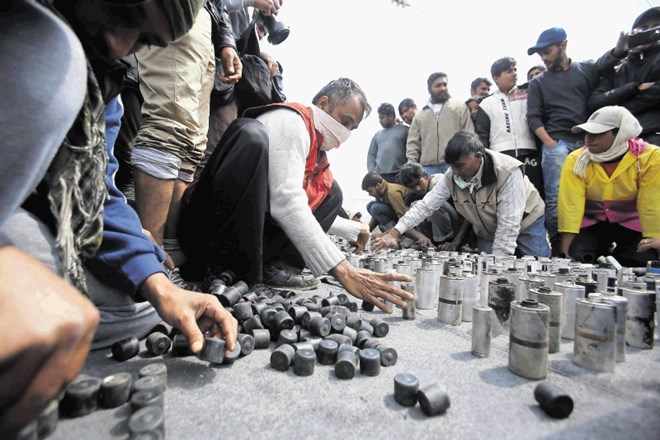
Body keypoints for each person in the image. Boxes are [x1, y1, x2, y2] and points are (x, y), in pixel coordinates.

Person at [0, 1, 239, 434]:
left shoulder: (102, 78)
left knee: (139, 304)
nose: (120, 43)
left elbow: (99, 197)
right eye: (123, 9)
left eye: (145, 39)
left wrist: (160, 286)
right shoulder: (47, 42)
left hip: (24, 223)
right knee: (52, 52)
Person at [178, 78, 415, 304]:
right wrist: (343, 269)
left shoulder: (317, 154)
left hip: (248, 232)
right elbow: (287, 203)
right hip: (204, 227)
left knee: (332, 193)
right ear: (323, 103)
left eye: (352, 127)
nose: (346, 132)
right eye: (344, 121)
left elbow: (301, 208)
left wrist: (353, 230)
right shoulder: (291, 122)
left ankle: (275, 268)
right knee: (251, 136)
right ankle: (222, 270)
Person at [132, 4, 240, 269]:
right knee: (169, 127)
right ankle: (149, 259)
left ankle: (168, 248)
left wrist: (225, 40)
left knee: (191, 146)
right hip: (179, 10)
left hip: (205, 20)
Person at [374, 130, 550, 257]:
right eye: (451, 166)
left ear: (478, 156)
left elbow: (508, 227)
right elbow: (425, 207)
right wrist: (395, 233)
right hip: (488, 230)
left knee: (537, 269)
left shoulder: (507, 171)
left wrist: (498, 265)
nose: (455, 172)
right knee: (483, 271)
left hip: (527, 222)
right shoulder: (452, 176)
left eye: (460, 165)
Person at [526, 26, 619, 254]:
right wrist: (550, 143)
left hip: (590, 143)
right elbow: (533, 117)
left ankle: (598, 243)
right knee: (556, 196)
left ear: (563, 45)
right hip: (557, 143)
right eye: (541, 54)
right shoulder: (538, 82)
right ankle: (559, 244)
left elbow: (606, 64)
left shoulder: (586, 69)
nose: (544, 58)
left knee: (597, 192)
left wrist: (619, 50)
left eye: (547, 51)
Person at [558, 106, 659, 266]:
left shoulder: (651, 158)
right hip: (592, 222)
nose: (589, 139)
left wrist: (654, 241)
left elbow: (652, 204)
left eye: (597, 134)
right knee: (579, 261)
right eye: (588, 133)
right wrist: (565, 252)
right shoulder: (576, 160)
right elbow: (571, 206)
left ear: (620, 133)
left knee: (639, 263)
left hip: (633, 223)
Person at [589, 7, 660, 146]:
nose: (647, 31)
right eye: (643, 27)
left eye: (656, 27)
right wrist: (633, 88)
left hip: (653, 135)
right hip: (619, 141)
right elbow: (595, 101)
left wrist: (616, 108)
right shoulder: (618, 66)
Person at [475, 57, 544, 197]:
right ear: (495, 78)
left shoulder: (528, 94)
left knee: (535, 197)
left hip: (530, 156)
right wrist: (486, 163)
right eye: (508, 71)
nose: (514, 73)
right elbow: (482, 136)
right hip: (500, 158)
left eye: (515, 70)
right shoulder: (486, 103)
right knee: (507, 199)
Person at [406, 71, 474, 175]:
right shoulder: (420, 115)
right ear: (429, 89)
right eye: (438, 85)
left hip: (454, 164)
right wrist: (411, 164)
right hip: (428, 167)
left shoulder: (459, 107)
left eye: (445, 84)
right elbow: (413, 143)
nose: (442, 88)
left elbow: (469, 134)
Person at [398, 162, 464, 248]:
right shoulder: (411, 194)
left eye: (418, 183)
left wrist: (457, 241)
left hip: (457, 227)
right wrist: (420, 236)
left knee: (435, 204)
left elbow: (468, 215)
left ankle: (444, 241)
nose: (417, 189)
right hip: (433, 233)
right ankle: (429, 243)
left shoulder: (441, 183)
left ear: (425, 176)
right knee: (415, 205)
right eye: (412, 187)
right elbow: (406, 222)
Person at [366, 103, 409, 183]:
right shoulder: (377, 135)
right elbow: (371, 155)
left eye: (382, 118)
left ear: (391, 116)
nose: (380, 121)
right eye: (379, 118)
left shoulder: (405, 130)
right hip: (381, 176)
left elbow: (411, 151)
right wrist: (372, 172)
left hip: (400, 175)